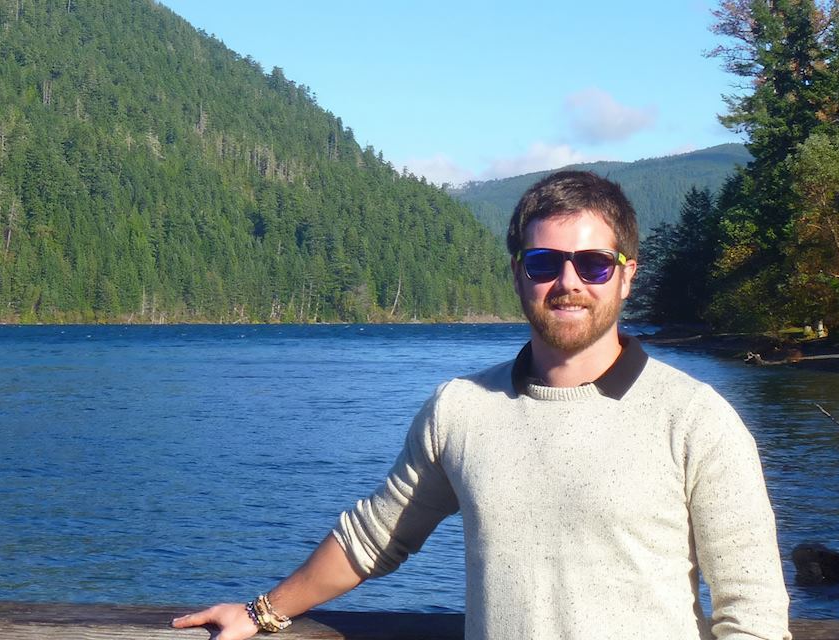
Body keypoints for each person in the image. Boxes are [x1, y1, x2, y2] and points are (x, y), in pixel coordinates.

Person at [172, 171, 790, 640]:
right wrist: (262, 612)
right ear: (520, 274)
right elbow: (375, 536)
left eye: (594, 265)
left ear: (627, 275)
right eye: (545, 262)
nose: (568, 282)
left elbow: (752, 611)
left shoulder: (695, 418)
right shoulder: (461, 410)